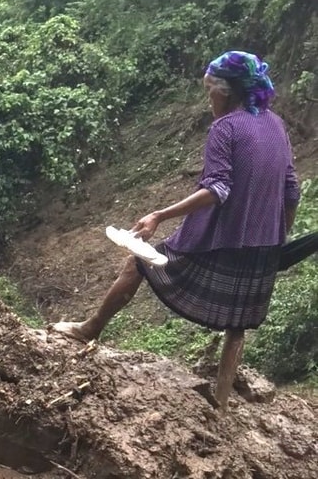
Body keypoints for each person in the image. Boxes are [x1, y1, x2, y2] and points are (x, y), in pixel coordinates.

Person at [53, 51, 300, 412]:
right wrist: (281, 236)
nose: (209, 100)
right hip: (263, 242)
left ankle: (89, 328)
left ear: (226, 92)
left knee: (136, 263)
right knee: (239, 322)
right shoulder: (275, 124)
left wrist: (158, 214)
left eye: (209, 92)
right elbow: (292, 188)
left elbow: (218, 189)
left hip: (220, 239)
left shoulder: (225, 128)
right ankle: (220, 401)